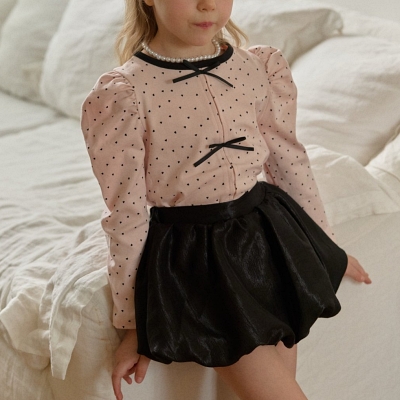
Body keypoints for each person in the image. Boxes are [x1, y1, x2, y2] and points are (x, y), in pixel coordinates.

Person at [81, 0, 371, 399]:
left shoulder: (257, 67)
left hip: (270, 239)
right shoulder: (124, 93)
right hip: (200, 261)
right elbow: (125, 213)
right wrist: (133, 323)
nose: (208, 4)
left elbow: (288, 160)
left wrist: (325, 248)